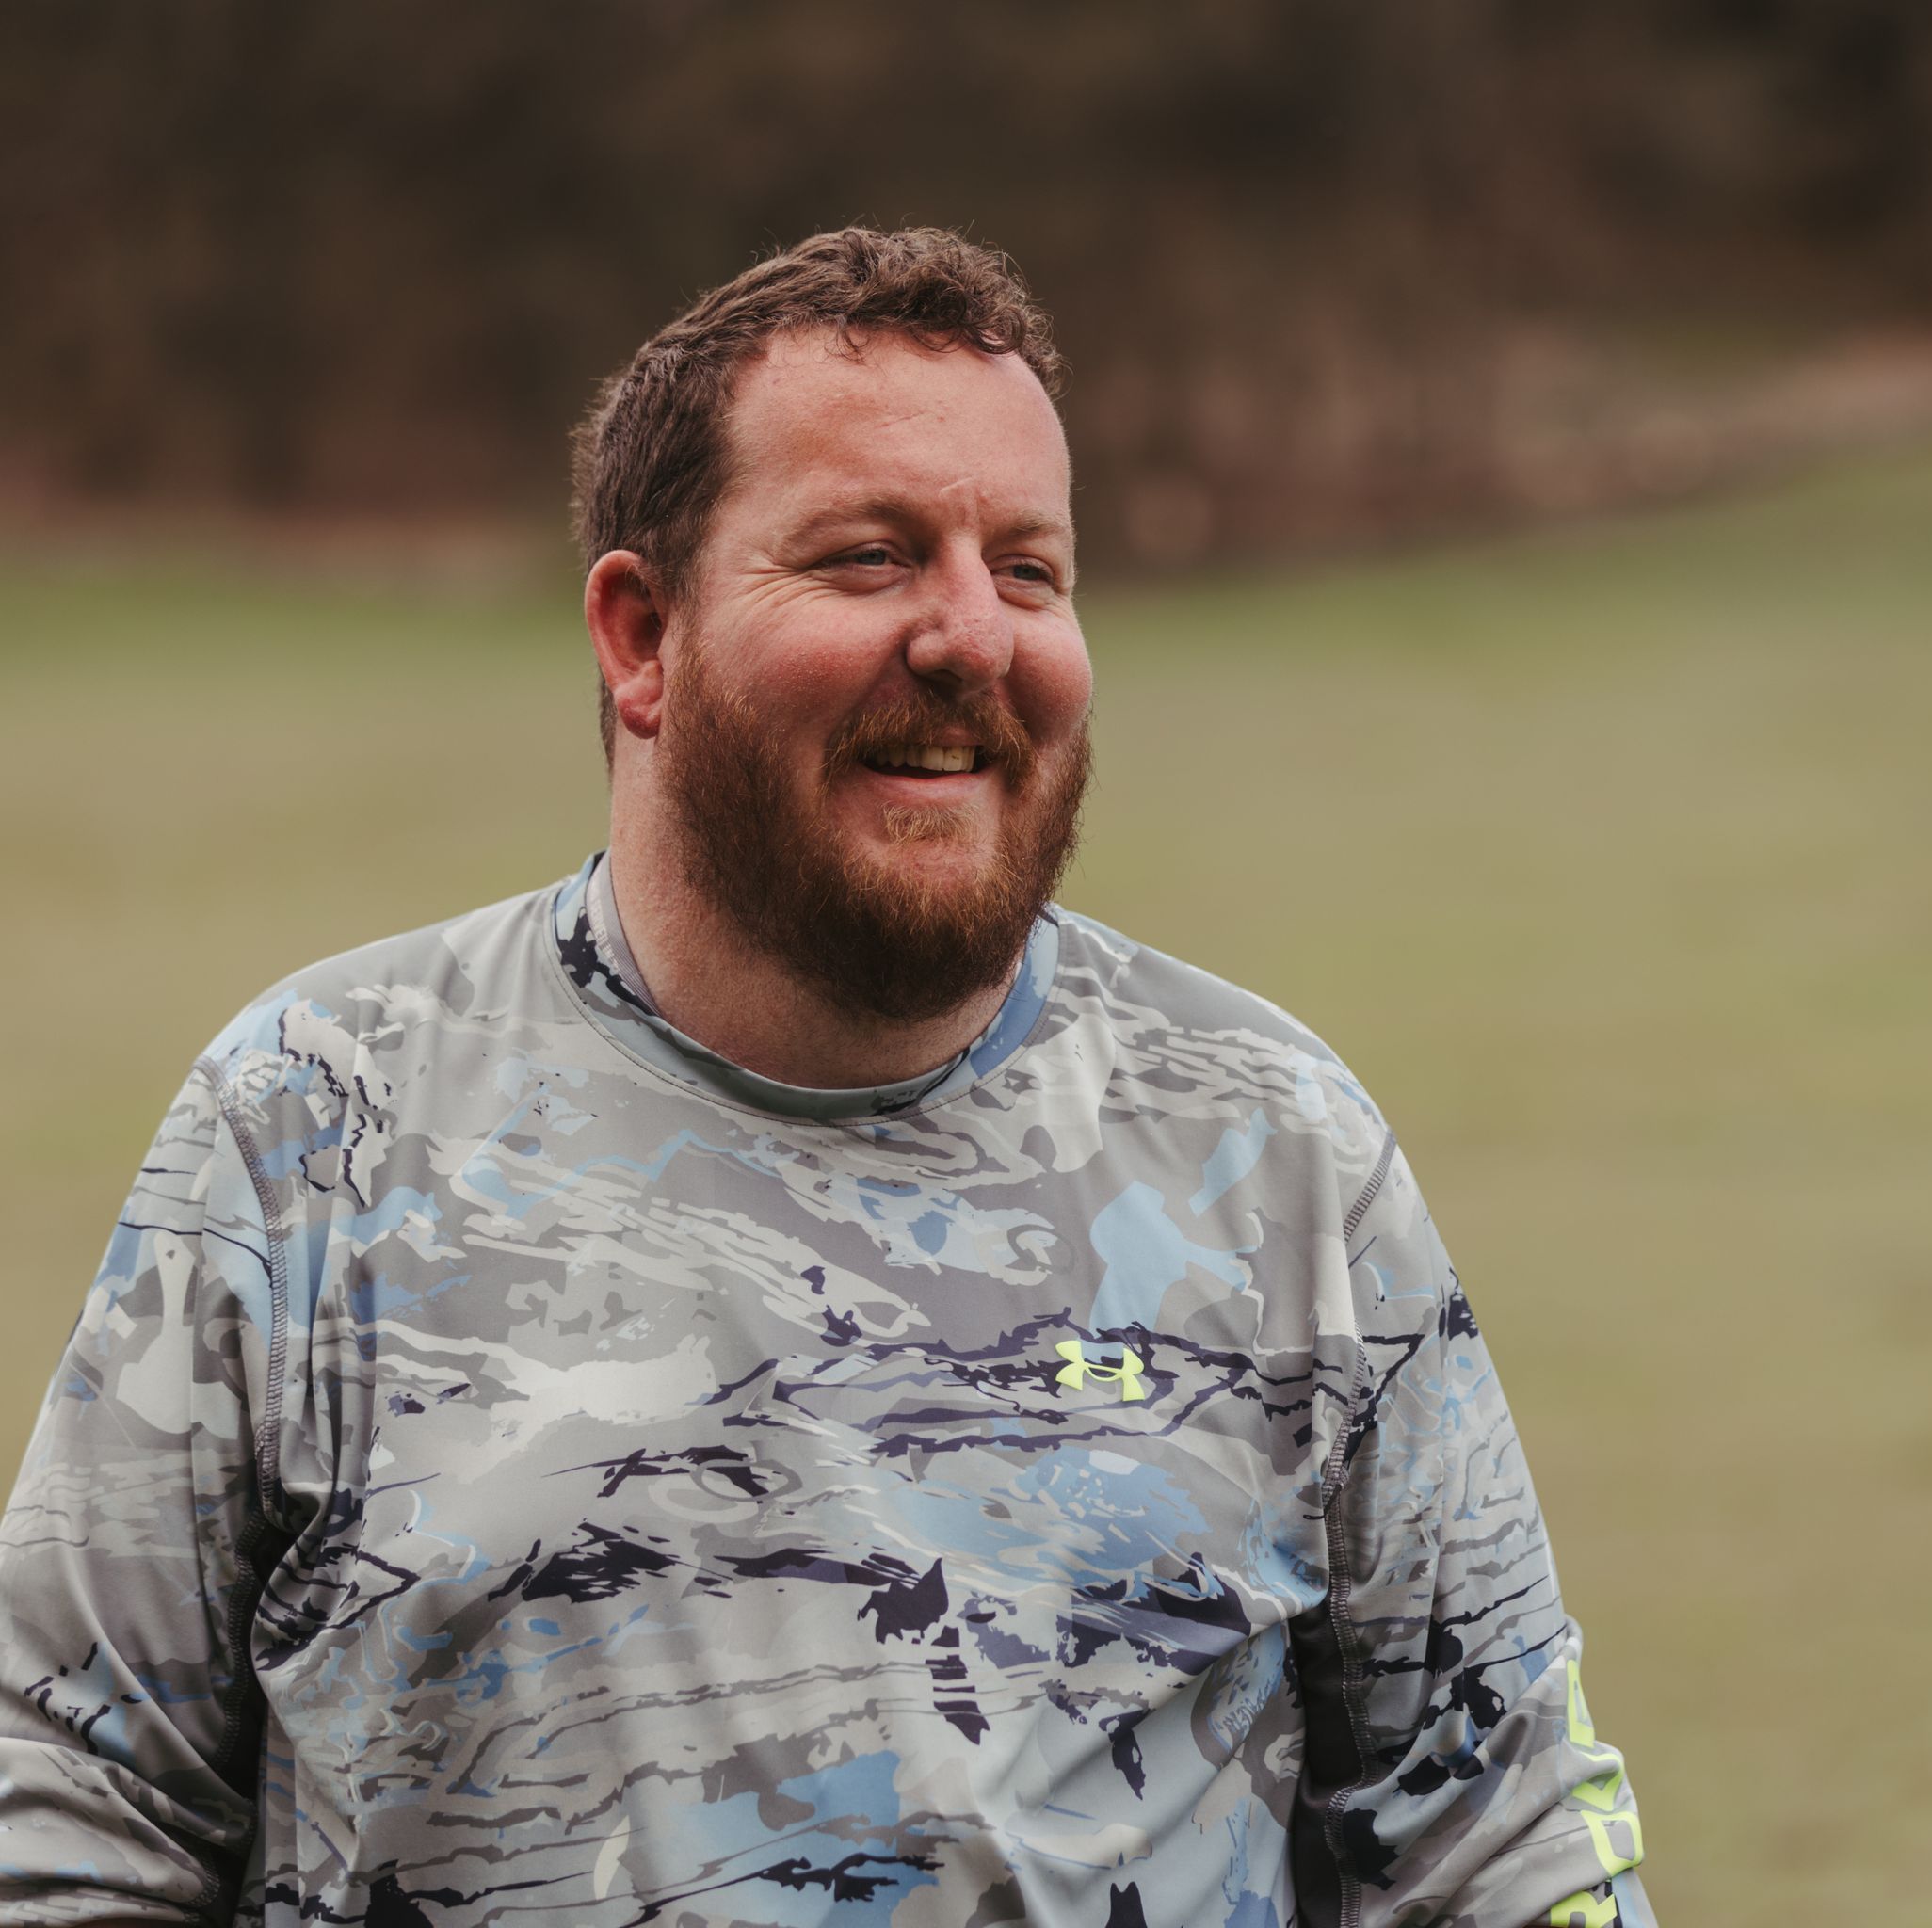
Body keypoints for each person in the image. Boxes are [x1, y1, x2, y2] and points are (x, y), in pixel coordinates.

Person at [0, 228, 1650, 1928]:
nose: (971, 638)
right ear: (643, 638)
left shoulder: (1275, 1155)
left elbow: (1501, 1834)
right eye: (870, 558)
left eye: (1027, 568)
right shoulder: (311, 1131)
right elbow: (68, 1804)